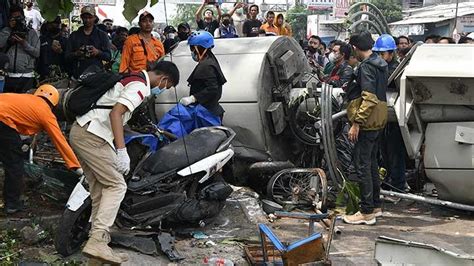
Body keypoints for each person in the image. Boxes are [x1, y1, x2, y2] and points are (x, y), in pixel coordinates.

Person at [70, 60, 180, 264]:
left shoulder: (131, 77)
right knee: (116, 186)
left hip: (82, 131)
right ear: (164, 79)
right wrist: (121, 150)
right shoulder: (139, 86)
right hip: (93, 135)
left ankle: (97, 252)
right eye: (167, 86)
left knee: (100, 191)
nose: (163, 90)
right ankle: (98, 242)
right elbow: (116, 113)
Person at [0, 85, 82, 214]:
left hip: (4, 120)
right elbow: (60, 141)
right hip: (2, 121)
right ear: (54, 104)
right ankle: (12, 204)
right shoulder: (46, 113)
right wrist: (76, 166)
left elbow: (17, 119)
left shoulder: (26, 99)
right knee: (14, 165)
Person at [344, 30, 388, 225]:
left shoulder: (367, 67)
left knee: (362, 166)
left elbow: (368, 98)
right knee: (371, 164)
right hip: (379, 119)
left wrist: (356, 123)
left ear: (354, 47)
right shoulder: (381, 63)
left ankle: (366, 212)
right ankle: (375, 206)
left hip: (367, 122)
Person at [373, 34, 407, 192]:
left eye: (382, 54)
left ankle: (398, 185)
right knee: (384, 152)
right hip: (384, 116)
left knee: (395, 153)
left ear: (391, 53)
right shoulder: (382, 67)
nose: (380, 57)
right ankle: (389, 181)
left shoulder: (395, 69)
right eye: (378, 54)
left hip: (395, 116)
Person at [180, 31, 227, 120]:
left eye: (192, 48)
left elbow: (212, 89)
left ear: (197, 48)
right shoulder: (209, 60)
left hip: (207, 114)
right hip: (206, 111)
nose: (192, 52)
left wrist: (193, 98)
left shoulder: (207, 66)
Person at [0, 5, 40, 93]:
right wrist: (9, 30)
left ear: (23, 17)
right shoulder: (6, 31)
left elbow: (37, 53)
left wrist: (24, 44)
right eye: (14, 18)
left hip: (26, 76)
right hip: (8, 75)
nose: (17, 20)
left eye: (19, 17)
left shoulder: (31, 32)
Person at [65, 6, 111, 79]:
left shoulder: (102, 35)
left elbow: (108, 56)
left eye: (90, 17)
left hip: (96, 75)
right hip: (78, 74)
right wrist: (77, 53)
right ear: (81, 18)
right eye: (85, 17)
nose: (87, 20)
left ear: (95, 18)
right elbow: (66, 56)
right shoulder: (74, 35)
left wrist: (97, 52)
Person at [37, 16, 68, 80]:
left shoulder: (65, 41)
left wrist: (60, 51)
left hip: (60, 76)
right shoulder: (42, 39)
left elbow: (69, 57)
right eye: (50, 24)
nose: (51, 26)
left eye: (55, 24)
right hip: (44, 75)